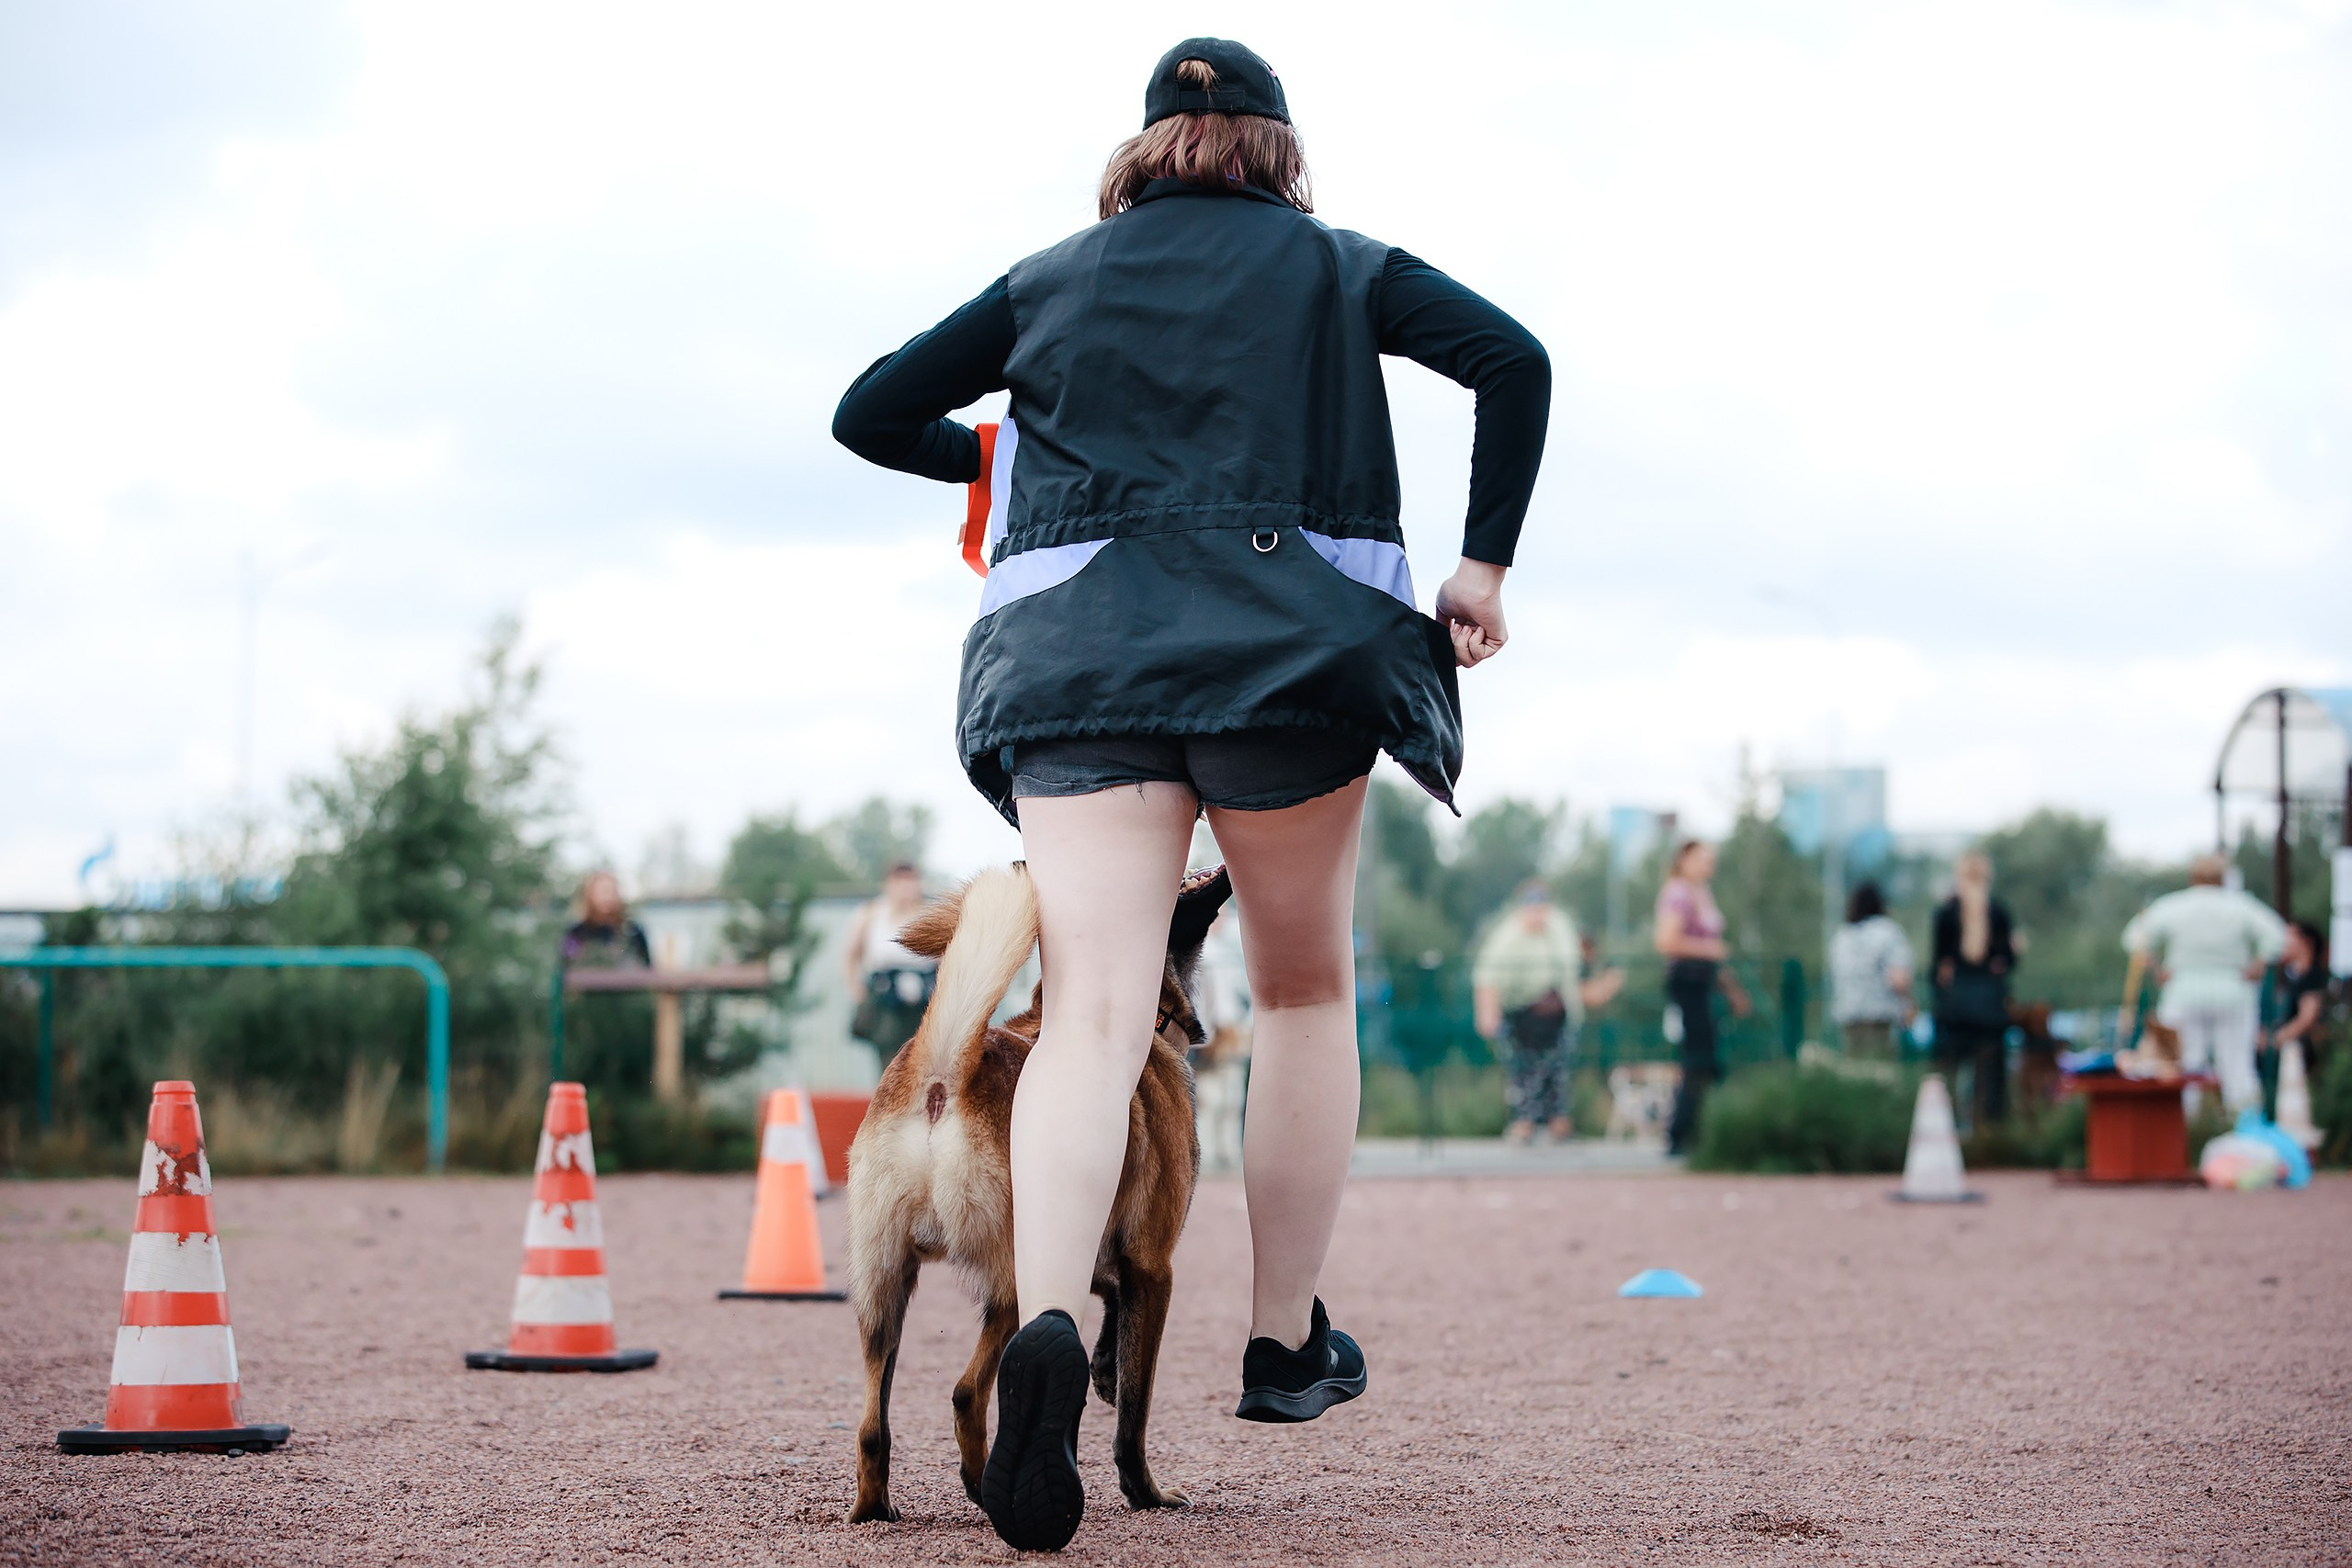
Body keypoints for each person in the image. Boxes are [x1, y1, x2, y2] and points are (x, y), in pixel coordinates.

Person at [831, 37, 1546, 1552]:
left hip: (1082, 664)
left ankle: (1043, 1331)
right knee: (1298, 995)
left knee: (1093, 1006)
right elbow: (1514, 360)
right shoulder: (1348, 270)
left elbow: (868, 408)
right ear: (1278, 151)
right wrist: (1481, 563)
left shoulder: (1048, 284)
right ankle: (1285, 1339)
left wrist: (986, 453)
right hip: (1294, 663)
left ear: (1143, 151)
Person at [2120, 853, 2286, 1114]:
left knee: (2181, 1066)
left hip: (2183, 991)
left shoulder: (2175, 905)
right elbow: (2277, 935)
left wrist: (2156, 967)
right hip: (2234, 990)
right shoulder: (2239, 905)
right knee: (2237, 1067)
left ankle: (2183, 1131)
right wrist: (2259, 964)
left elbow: (2135, 936)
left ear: (2192, 877)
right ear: (2223, 877)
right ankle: (2246, 1133)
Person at [1473, 881, 1623, 1143]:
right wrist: (1488, 1013)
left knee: (1558, 1071)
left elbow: (1575, 967)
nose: (1538, 912)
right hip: (1522, 1014)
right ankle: (1524, 1123)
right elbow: (1487, 976)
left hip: (1559, 1014)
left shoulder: (1560, 927)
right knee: (1522, 1072)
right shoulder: (1507, 936)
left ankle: (1558, 1123)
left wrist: (1596, 987)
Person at [1653, 840, 1751, 1156]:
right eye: (1702, 858)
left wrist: (1732, 988)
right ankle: (1680, 1134)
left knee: (1707, 1058)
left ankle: (1700, 1130)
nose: (1709, 864)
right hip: (1688, 981)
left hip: (1706, 980)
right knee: (1696, 1057)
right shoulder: (1678, 893)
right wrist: (1710, 951)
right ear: (1683, 859)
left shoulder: (1703, 893)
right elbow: (1667, 940)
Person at [1931, 852, 2016, 1127]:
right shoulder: (1999, 912)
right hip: (1989, 1010)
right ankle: (1989, 1131)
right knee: (1990, 1078)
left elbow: (1937, 968)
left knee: (1948, 1073)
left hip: (1955, 1010)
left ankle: (1945, 1125)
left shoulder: (1946, 913)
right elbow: (2008, 961)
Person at [842, 862, 937, 1057]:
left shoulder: (933, 913)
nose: (905, 887)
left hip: (925, 998)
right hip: (885, 998)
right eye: (899, 881)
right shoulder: (871, 913)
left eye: (910, 881)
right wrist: (860, 995)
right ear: (888, 884)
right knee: (890, 1058)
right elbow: (851, 957)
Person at [1191, 904, 1252, 1172]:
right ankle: (1209, 1154)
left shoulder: (1230, 952)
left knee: (1231, 1095)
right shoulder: (1204, 953)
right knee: (1211, 1096)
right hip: (1211, 1030)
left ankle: (1227, 1152)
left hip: (1230, 1029)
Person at [1828, 880, 1913, 1060]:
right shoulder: (1888, 932)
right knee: (1881, 1071)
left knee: (1854, 1072)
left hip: (1849, 1014)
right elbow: (1898, 978)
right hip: (1881, 1017)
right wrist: (1909, 1003)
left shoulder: (1842, 935)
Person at [2261, 919, 2331, 1081]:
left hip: (2301, 1057)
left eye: (2290, 935)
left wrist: (2275, 1040)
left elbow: (2307, 1018)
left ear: (2305, 942)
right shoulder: (2289, 977)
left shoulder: (2314, 977)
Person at [560, 870, 650, 969]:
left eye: (612, 892)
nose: (608, 897)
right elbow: (565, 968)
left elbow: (647, 969)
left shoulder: (633, 932)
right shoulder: (576, 933)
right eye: (603, 891)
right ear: (590, 895)